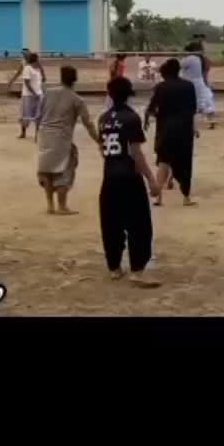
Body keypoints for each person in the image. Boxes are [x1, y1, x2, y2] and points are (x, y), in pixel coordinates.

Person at [99, 76, 162, 286]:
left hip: (109, 177)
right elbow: (136, 153)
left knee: (111, 224)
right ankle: (137, 270)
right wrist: (151, 180)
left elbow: (102, 149)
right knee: (139, 224)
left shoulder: (103, 118)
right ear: (128, 94)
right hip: (129, 177)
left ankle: (114, 267)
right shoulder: (131, 118)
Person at [36, 65, 100, 214]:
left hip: (45, 135)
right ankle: (62, 206)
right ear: (75, 79)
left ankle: (50, 205)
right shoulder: (76, 99)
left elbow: (39, 114)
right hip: (62, 138)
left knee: (47, 170)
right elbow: (88, 123)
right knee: (64, 171)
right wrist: (99, 141)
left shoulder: (48, 92)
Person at [144, 58, 197, 206]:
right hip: (184, 129)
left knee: (164, 161)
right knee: (185, 163)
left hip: (166, 129)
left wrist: (157, 117)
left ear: (165, 73)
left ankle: (159, 197)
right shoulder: (189, 86)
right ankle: (186, 198)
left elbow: (151, 109)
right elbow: (193, 109)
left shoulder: (161, 87)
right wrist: (192, 127)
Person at [181, 40, 216, 126]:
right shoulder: (199, 58)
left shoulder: (190, 58)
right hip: (199, 82)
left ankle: (189, 121)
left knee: (191, 103)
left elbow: (179, 65)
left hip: (191, 83)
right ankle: (210, 119)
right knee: (206, 101)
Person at [18, 51, 44, 140]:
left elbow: (41, 80)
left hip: (38, 94)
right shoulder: (27, 68)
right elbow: (27, 83)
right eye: (38, 59)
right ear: (35, 59)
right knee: (25, 114)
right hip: (28, 95)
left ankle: (37, 134)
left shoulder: (37, 69)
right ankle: (23, 133)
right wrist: (34, 93)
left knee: (38, 115)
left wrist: (38, 93)